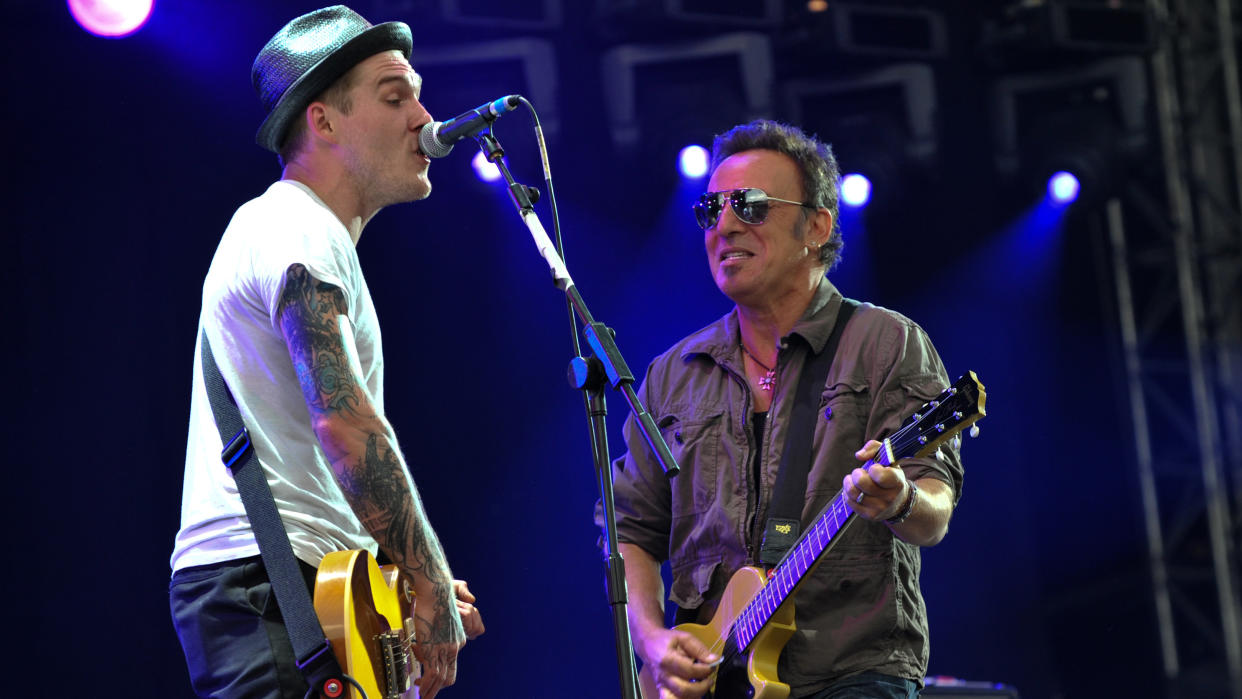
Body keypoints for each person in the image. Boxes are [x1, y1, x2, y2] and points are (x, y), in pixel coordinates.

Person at [169, 6, 483, 698]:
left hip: (301, 581)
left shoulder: (307, 234)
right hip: (268, 587)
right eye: (395, 97)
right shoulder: (295, 224)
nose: (422, 117)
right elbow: (345, 422)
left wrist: (401, 587)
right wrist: (426, 574)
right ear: (324, 121)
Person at [601, 120, 965, 699]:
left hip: (853, 671)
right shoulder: (673, 373)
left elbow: (935, 504)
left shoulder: (884, 343)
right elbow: (628, 532)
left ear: (816, 226)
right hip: (718, 678)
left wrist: (901, 498)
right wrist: (651, 639)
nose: (724, 225)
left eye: (748, 205)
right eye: (711, 209)